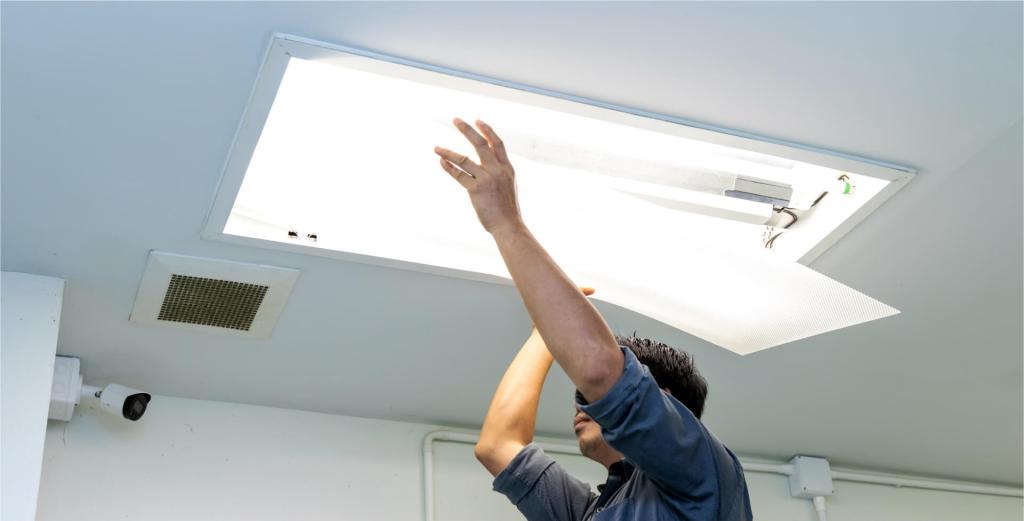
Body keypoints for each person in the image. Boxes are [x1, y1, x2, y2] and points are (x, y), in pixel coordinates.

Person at [434, 118, 752, 521]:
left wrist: (505, 223)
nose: (580, 402)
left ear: (664, 402)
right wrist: (543, 337)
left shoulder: (700, 472)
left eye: (603, 396)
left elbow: (600, 369)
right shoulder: (593, 511)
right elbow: (499, 446)